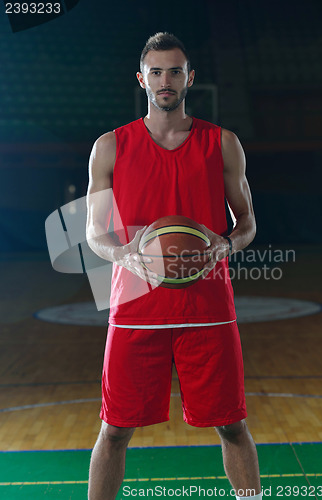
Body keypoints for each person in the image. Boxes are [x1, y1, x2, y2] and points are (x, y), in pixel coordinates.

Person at [86, 32, 261, 500]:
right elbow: (94, 234)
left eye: (176, 71)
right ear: (142, 78)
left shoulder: (221, 143)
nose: (166, 80)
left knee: (231, 425)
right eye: (157, 72)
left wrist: (226, 245)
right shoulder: (111, 146)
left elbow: (246, 223)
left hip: (208, 307)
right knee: (115, 430)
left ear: (190, 78)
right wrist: (125, 255)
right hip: (135, 307)